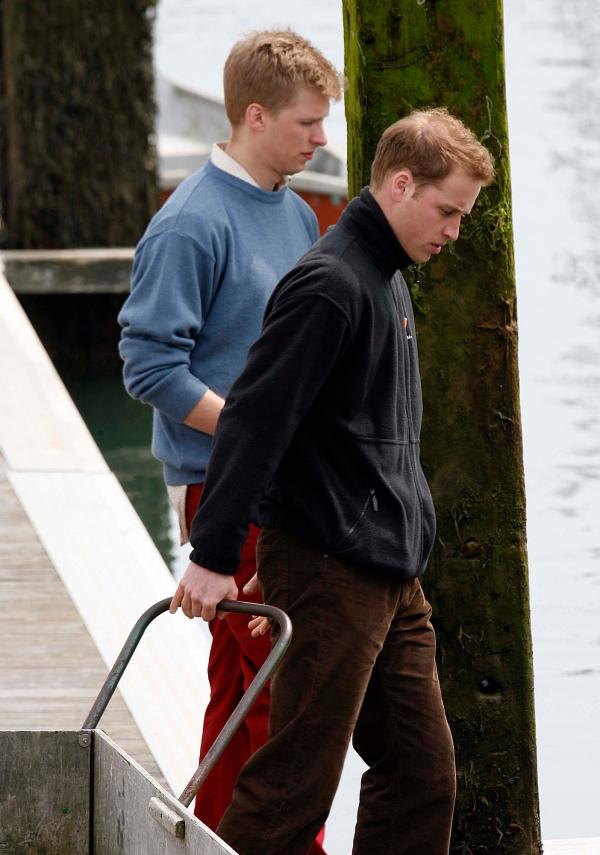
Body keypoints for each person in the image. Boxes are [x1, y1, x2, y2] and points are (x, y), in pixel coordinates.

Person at [170, 107, 495, 854]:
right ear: (401, 183)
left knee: (422, 773)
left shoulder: (387, 279)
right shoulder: (330, 284)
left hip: (389, 573)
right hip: (330, 564)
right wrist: (217, 556)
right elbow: (254, 420)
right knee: (294, 784)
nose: (453, 231)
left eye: (463, 216)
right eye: (447, 211)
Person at [118, 29, 341, 848]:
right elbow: (147, 365)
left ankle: (212, 835)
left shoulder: (293, 210)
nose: (323, 140)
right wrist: (254, 429)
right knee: (282, 694)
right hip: (226, 486)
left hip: (289, 483)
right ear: (255, 115)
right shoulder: (189, 226)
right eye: (310, 123)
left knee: (239, 685)